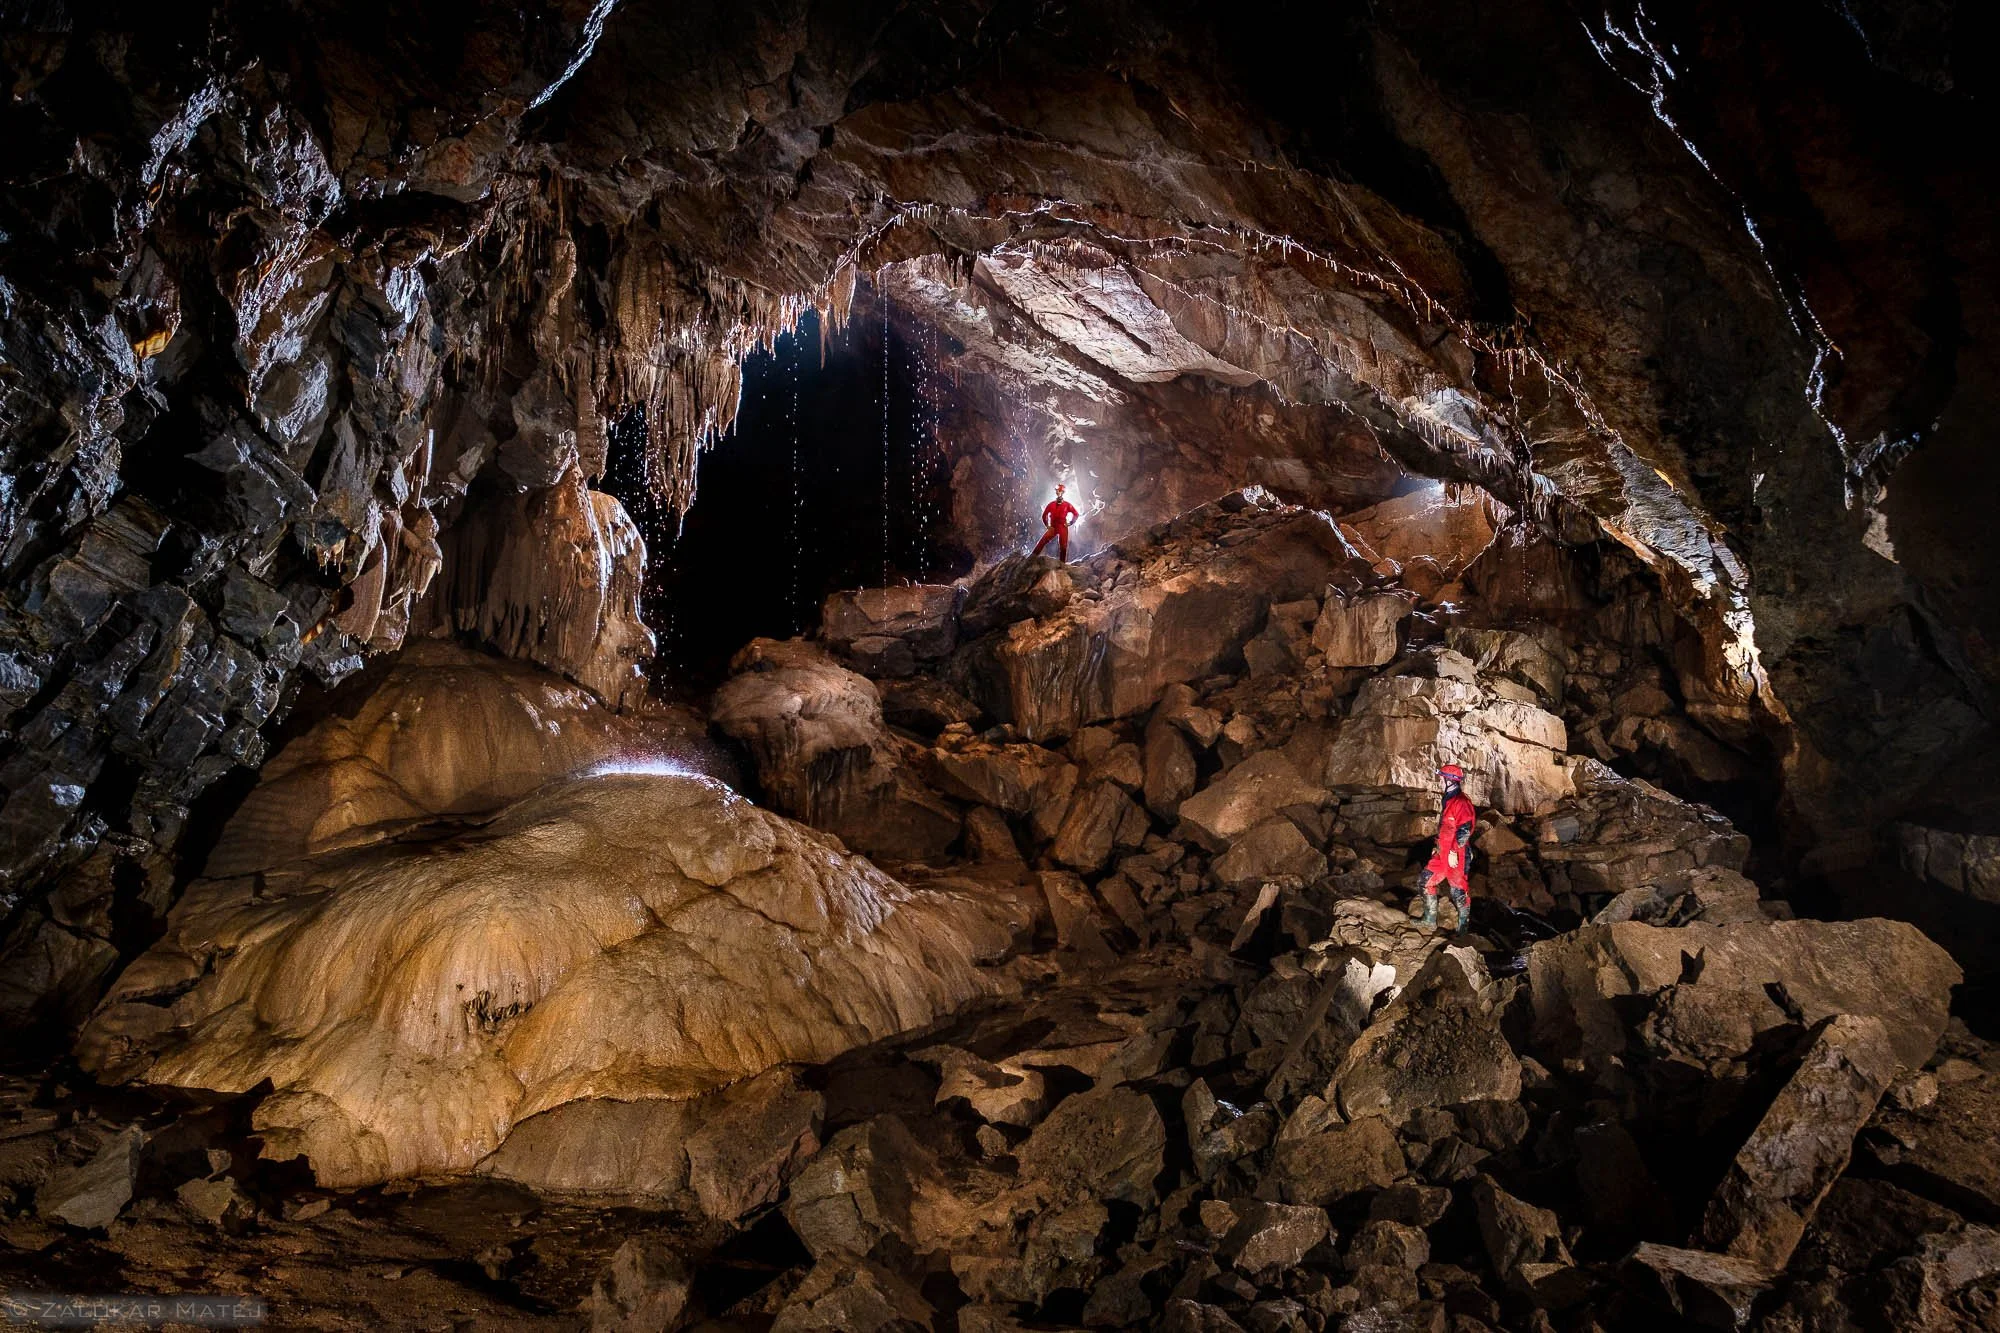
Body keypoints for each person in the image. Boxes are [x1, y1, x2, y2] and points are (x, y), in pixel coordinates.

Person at [1419, 762, 1476, 933]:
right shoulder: (1449, 799)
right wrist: (1437, 846)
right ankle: (1429, 921)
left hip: (1456, 854)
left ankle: (1463, 929)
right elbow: (1445, 828)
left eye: (1442, 778)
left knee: (1458, 890)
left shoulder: (1461, 802)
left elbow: (1465, 829)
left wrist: (1453, 851)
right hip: (1442, 851)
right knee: (1425, 881)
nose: (1441, 781)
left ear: (1450, 781)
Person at [1031, 483, 1080, 562]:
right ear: (1056, 492)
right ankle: (1031, 558)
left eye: (1060, 491)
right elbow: (1044, 515)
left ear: (1063, 492)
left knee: (1063, 547)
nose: (1059, 492)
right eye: (1058, 491)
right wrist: (1047, 525)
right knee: (1042, 542)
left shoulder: (1067, 505)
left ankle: (1062, 565)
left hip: (1062, 526)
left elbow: (1076, 514)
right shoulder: (1052, 504)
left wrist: (1070, 523)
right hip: (1053, 527)